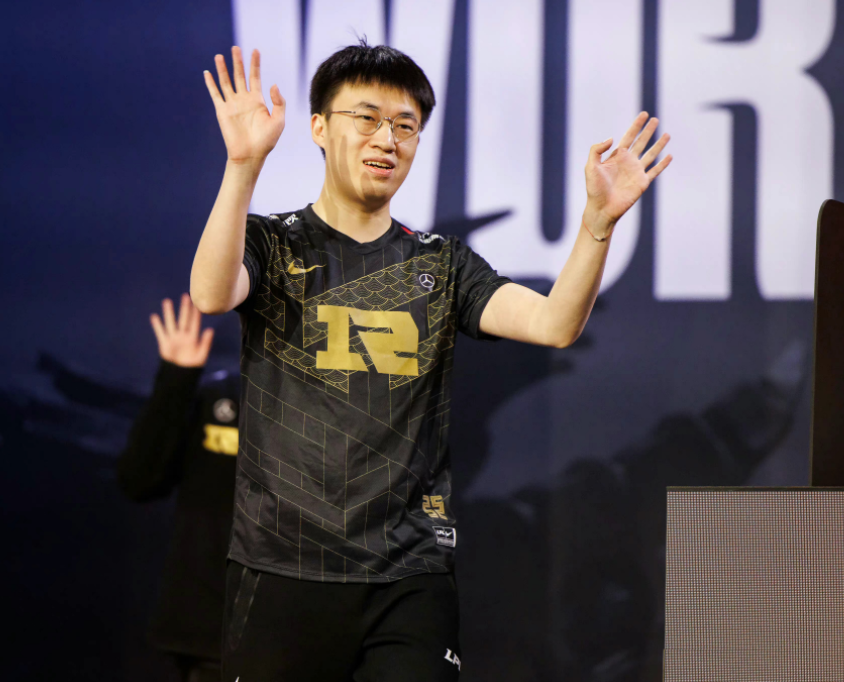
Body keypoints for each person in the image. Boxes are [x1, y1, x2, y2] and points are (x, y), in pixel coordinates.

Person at [190, 40, 671, 681]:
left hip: (409, 574)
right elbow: (211, 293)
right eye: (367, 117)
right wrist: (242, 166)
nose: (387, 139)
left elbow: (555, 324)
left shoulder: (442, 264)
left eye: (405, 125)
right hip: (283, 566)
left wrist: (597, 224)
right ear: (319, 127)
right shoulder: (274, 243)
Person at [117, 294, 240, 682]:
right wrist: (176, 377)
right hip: (210, 639)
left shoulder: (333, 402)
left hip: (305, 635)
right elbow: (139, 481)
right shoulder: (215, 394)